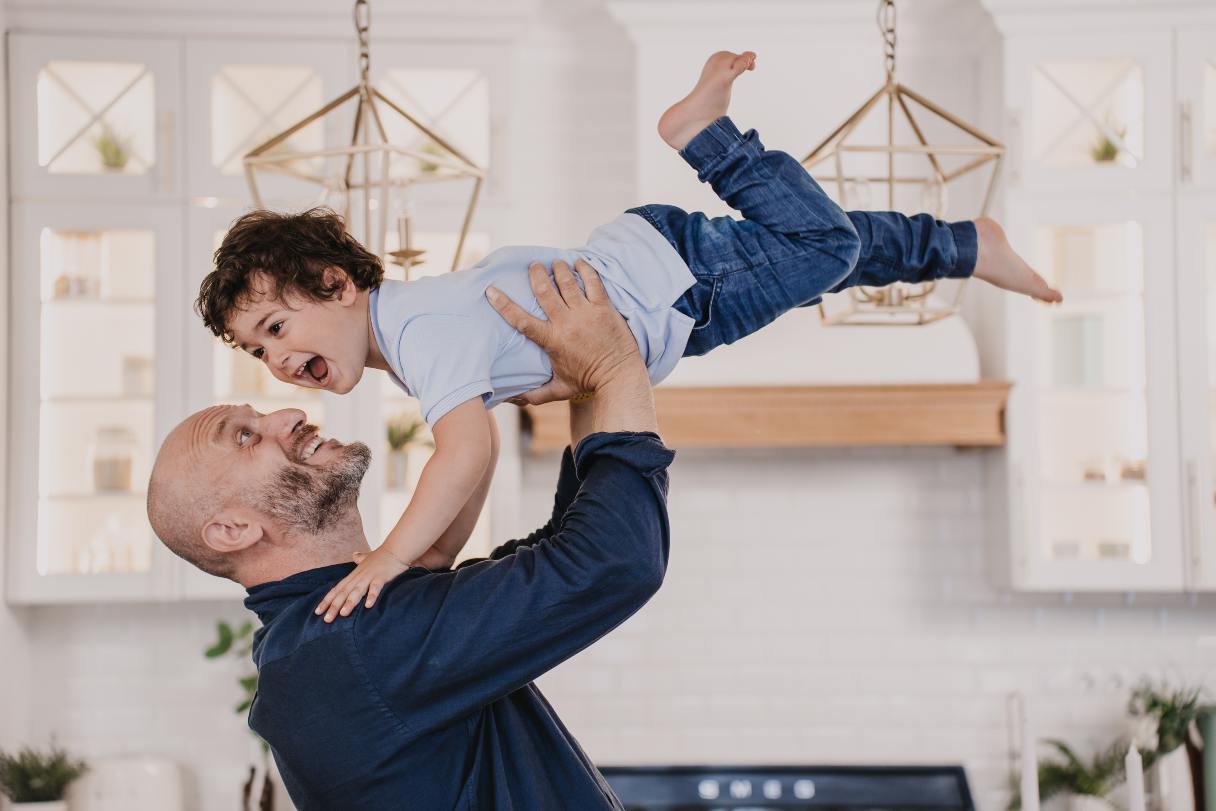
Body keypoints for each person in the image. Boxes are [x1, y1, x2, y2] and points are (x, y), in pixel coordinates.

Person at [194, 50, 1062, 621]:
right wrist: (438, 562)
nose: (278, 362)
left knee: (821, 244)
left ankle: (704, 137)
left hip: (676, 286)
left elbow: (457, 455)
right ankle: (962, 245)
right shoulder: (417, 341)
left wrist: (387, 557)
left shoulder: (416, 332)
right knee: (829, 255)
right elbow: (480, 457)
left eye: (277, 327)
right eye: (258, 352)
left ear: (337, 284)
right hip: (668, 289)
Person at [148, 261, 668, 810]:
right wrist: (612, 365)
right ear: (233, 529)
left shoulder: (334, 634)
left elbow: (569, 548)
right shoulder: (348, 647)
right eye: (247, 437)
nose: (289, 414)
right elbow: (615, 561)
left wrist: (589, 384)